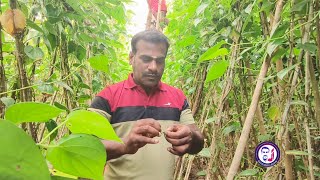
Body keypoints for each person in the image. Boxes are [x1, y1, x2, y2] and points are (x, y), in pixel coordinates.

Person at [89, 30, 204, 180]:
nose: (153, 67)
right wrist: (124, 145)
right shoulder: (108, 96)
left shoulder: (177, 97)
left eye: (159, 61)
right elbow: (84, 147)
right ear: (131, 58)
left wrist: (190, 138)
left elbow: (198, 141)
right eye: (146, 59)